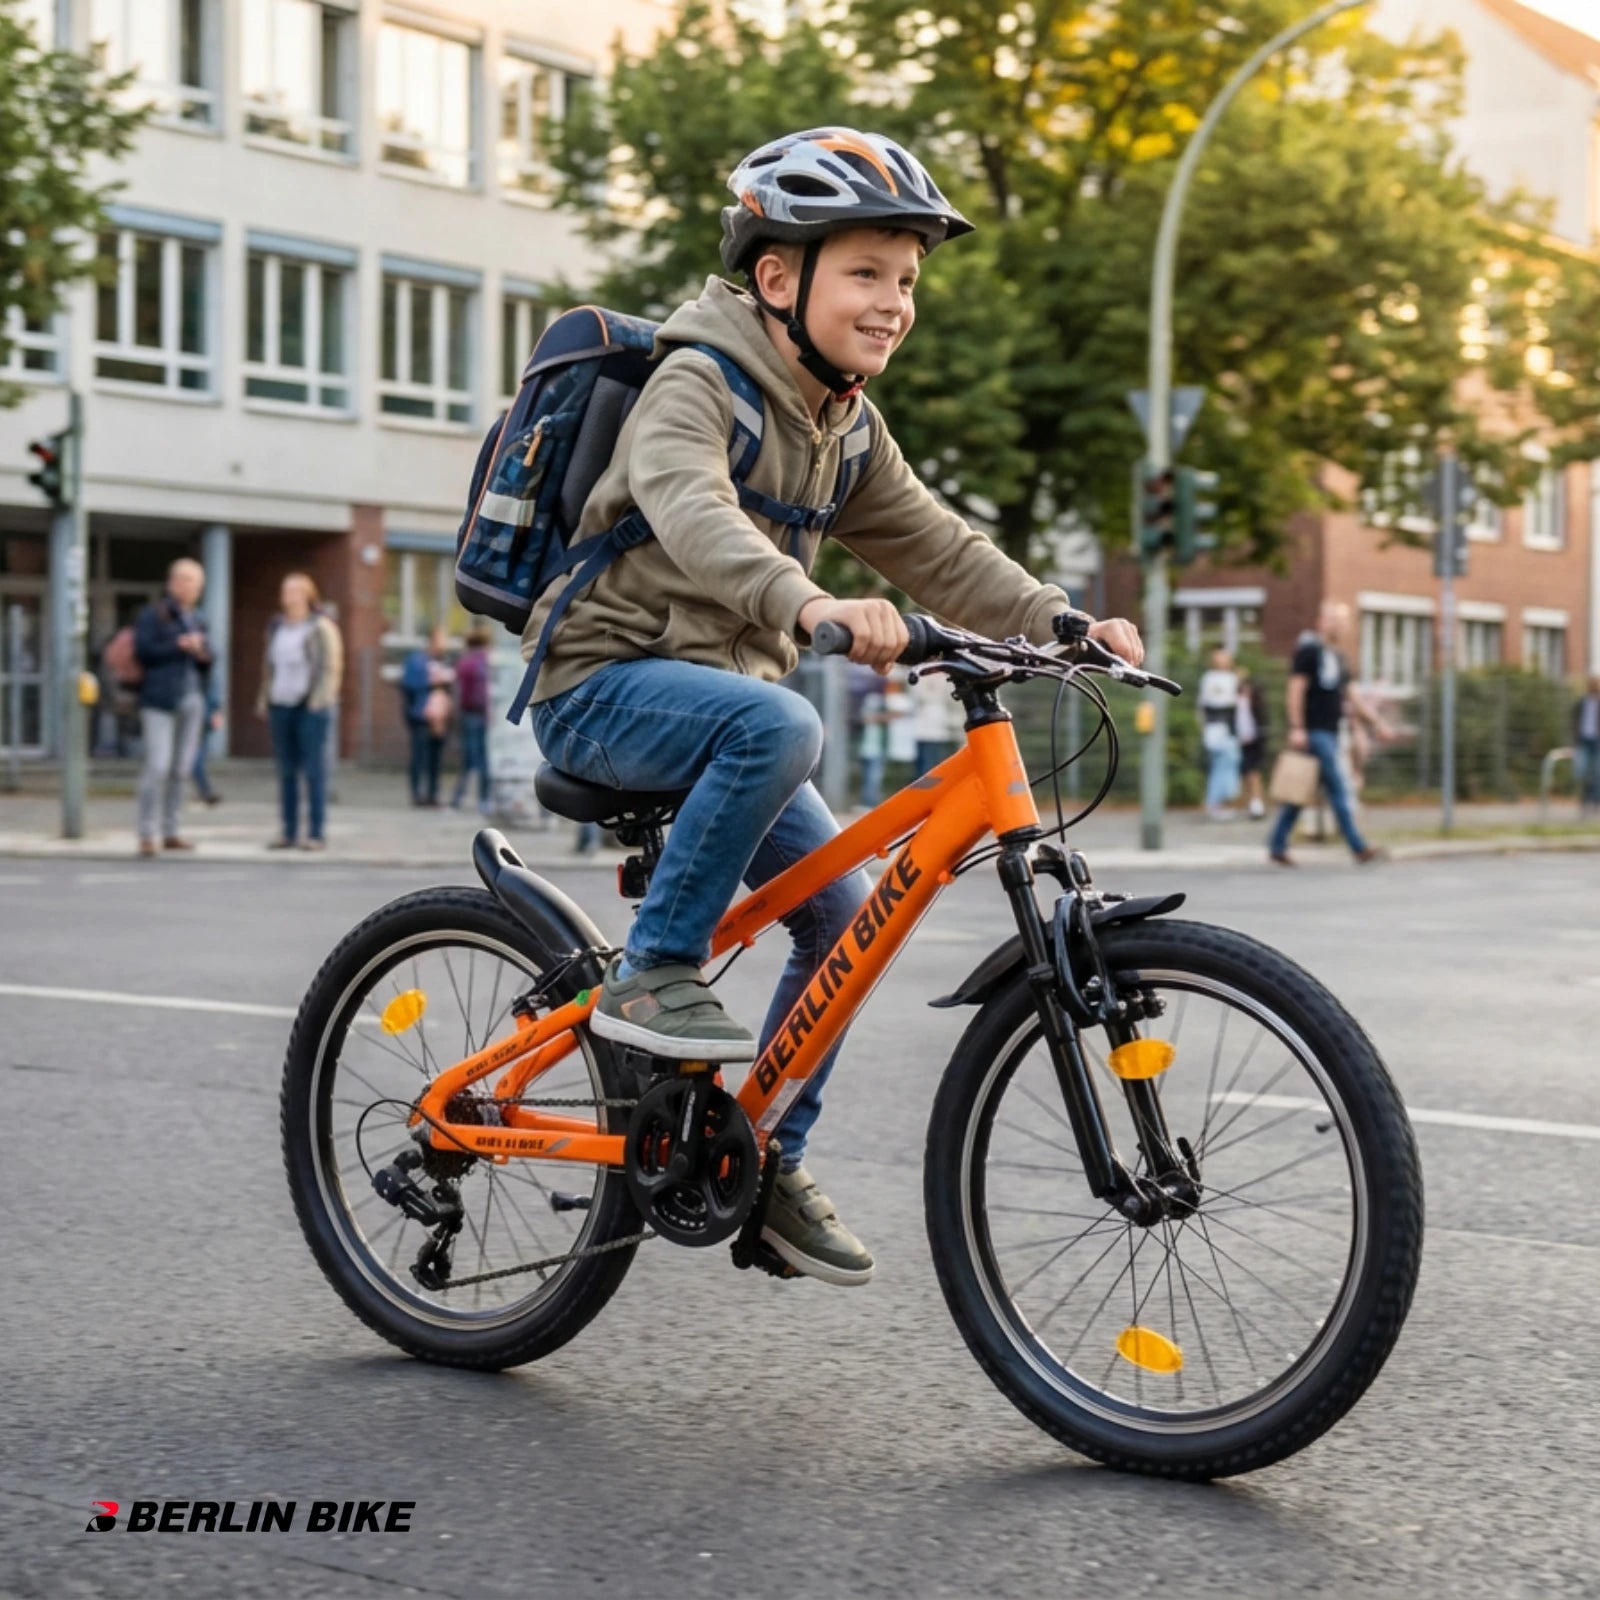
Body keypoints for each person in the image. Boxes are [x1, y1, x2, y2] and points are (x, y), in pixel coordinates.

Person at [520, 127, 1143, 1286]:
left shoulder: (842, 425)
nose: (894, 302)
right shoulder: (698, 382)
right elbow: (690, 508)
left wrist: (1060, 621)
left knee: (845, 911)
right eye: (866, 272)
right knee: (782, 724)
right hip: (601, 685)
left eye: (906, 279)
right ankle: (653, 972)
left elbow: (937, 548)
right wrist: (806, 602)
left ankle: (764, 1164)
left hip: (723, 710)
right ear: (777, 276)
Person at [1267, 601, 1392, 866]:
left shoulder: (1339, 657)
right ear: (1320, 622)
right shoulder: (1309, 652)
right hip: (1315, 733)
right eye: (1333, 618)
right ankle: (1358, 847)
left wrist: (1376, 723)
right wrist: (1297, 727)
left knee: (1300, 791)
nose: (1338, 624)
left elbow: (1353, 697)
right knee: (1338, 788)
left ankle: (1277, 845)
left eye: (1342, 620)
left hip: (1332, 733)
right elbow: (1295, 690)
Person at [256, 572, 344, 850]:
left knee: (314, 771)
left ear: (308, 595)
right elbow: (269, 667)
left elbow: (331, 666)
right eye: (286, 591)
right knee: (286, 771)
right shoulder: (277, 627)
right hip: (281, 705)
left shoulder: (320, 626)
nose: (289, 596)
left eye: (295, 591)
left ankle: (316, 833)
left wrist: (320, 699)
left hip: (310, 706)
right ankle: (289, 832)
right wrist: (264, 699)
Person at [134, 558, 212, 858]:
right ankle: (146, 833)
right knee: (158, 766)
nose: (188, 586)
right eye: (183, 579)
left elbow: (209, 660)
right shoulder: (154, 615)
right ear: (171, 583)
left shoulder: (199, 619)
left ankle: (171, 831)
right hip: (159, 700)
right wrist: (178, 646)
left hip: (192, 698)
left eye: (193, 581)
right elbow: (144, 651)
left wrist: (202, 652)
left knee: (181, 769)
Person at [400, 627, 453, 807]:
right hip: (421, 716)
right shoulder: (417, 661)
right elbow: (409, 685)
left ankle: (432, 793)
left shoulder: (445, 662)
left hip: (439, 718)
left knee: (435, 758)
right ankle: (417, 793)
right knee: (419, 755)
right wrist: (430, 681)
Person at [450, 627, 493, 812]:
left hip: (468, 714)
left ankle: (458, 798)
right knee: (482, 759)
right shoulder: (483, 662)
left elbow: (458, 691)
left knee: (468, 758)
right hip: (479, 714)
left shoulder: (465, 662)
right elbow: (484, 693)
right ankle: (483, 799)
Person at [1196, 647, 1241, 820]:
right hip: (1217, 727)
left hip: (1227, 727)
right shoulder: (1211, 678)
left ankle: (1218, 803)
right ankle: (1214, 803)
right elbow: (1213, 703)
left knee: (1226, 766)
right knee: (1221, 767)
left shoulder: (1231, 677)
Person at [911, 667, 962, 779]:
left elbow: (950, 698)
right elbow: (920, 696)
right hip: (921, 726)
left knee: (931, 764)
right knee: (922, 764)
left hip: (937, 727)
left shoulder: (944, 679)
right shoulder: (921, 677)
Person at [1234, 665, 1269, 820]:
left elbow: (1262, 718)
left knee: (1253, 772)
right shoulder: (1232, 698)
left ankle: (1256, 802)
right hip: (1236, 740)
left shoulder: (1255, 699)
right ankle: (1250, 803)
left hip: (1253, 739)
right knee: (1244, 773)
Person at [190, 687, 223, 807]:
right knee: (194, 760)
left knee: (196, 760)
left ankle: (206, 791)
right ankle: (206, 791)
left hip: (203, 719)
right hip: (191, 715)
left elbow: (214, 694)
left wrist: (216, 712)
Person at [1575, 675, 1600, 815]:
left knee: (1597, 773)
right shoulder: (1581, 703)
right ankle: (1585, 799)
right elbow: (1574, 722)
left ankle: (1596, 801)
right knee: (1581, 771)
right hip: (1583, 740)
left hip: (1597, 742)